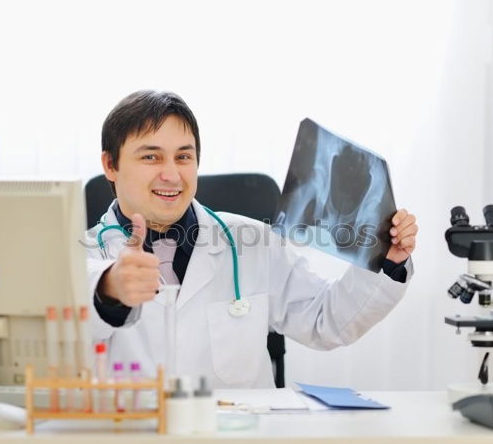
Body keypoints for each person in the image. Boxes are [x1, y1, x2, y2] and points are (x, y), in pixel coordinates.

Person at [84, 90, 418, 389]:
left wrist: (388, 260)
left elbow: (326, 321)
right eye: (151, 157)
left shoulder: (252, 242)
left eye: (183, 157)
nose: (171, 174)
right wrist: (109, 290)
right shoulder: (77, 256)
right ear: (110, 165)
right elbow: (53, 353)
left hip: (238, 442)